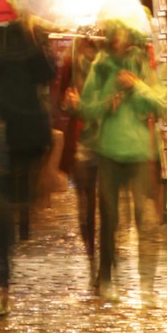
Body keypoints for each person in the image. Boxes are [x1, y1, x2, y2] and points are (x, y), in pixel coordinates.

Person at [78, 19, 167, 294]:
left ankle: (147, 283)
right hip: (109, 152)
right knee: (109, 219)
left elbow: (163, 104)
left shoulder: (144, 65)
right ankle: (106, 276)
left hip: (140, 153)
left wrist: (136, 86)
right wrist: (107, 100)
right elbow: (87, 109)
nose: (118, 38)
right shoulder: (101, 66)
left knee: (146, 220)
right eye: (114, 32)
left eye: (122, 32)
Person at [0, 16, 55, 306]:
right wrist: (37, 42)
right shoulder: (33, 55)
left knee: (1, 210)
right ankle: (22, 209)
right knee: (16, 192)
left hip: (3, 138)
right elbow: (48, 73)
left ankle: (0, 283)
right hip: (32, 138)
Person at [53, 30, 102, 274]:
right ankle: (90, 248)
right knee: (85, 198)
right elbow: (62, 97)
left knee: (100, 199)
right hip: (81, 136)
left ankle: (100, 252)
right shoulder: (72, 56)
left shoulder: (109, 58)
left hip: (105, 135)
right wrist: (69, 101)